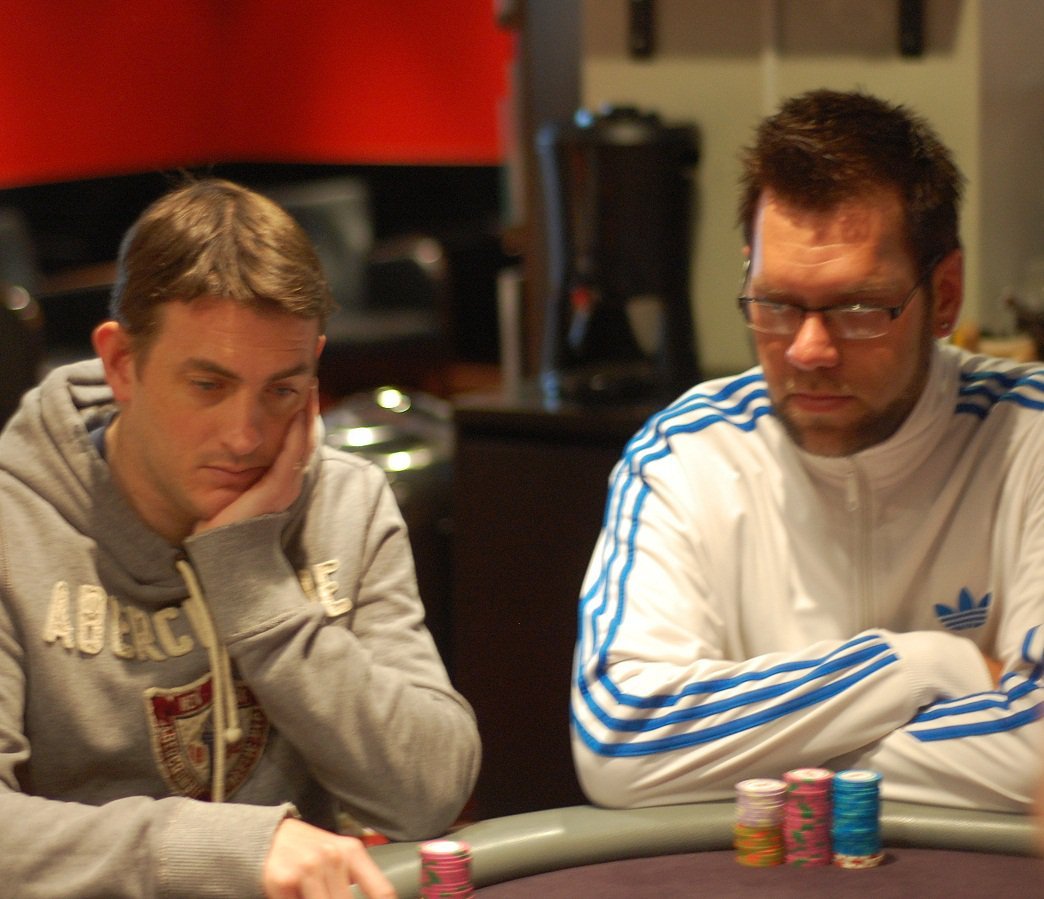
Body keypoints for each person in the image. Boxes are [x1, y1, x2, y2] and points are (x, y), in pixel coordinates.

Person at [0, 179, 481, 898]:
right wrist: (228, 850)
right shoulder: (14, 522)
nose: (246, 436)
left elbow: (429, 792)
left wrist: (250, 577)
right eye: (208, 385)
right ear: (122, 363)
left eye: (282, 390)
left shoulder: (346, 500)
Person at [571, 90, 1044, 813]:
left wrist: (739, 759)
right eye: (776, 304)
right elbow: (618, 740)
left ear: (945, 295)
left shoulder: (1029, 436)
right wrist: (922, 666)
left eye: (858, 308)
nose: (808, 350)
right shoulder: (683, 455)